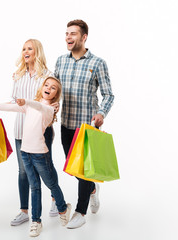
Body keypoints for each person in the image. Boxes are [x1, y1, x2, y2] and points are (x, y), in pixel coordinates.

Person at [0, 77, 71, 237]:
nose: (49, 87)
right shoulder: (29, 106)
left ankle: (63, 208)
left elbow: (38, 105)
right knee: (34, 186)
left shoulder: (49, 110)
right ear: (42, 87)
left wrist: (26, 101)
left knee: (51, 184)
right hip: (25, 152)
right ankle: (36, 221)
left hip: (40, 154)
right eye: (47, 85)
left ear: (56, 95)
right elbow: (10, 107)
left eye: (53, 87)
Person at [54, 19, 115, 229]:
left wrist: (101, 113)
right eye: (66, 33)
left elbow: (108, 95)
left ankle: (81, 211)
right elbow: (54, 89)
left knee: (83, 172)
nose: (68, 37)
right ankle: (92, 189)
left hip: (87, 127)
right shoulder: (61, 61)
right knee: (72, 168)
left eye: (73, 34)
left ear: (84, 37)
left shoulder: (97, 63)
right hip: (66, 124)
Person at [9, 39, 59, 227]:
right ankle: (24, 211)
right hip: (21, 129)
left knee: (46, 167)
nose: (25, 51)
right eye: (23, 49)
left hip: (41, 131)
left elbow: (54, 99)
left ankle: (55, 200)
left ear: (37, 51)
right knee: (23, 171)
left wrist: (55, 108)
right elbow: (14, 102)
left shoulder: (47, 76)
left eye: (29, 48)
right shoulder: (17, 75)